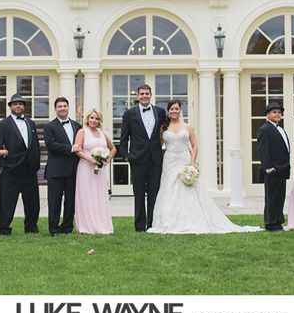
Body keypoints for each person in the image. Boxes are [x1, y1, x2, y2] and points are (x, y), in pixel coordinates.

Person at [150, 99, 259, 234]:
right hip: (170, 161)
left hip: (184, 160)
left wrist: (192, 162)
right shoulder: (163, 128)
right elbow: (160, 145)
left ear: (180, 110)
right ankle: (168, 221)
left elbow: (195, 145)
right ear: (168, 111)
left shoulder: (188, 127)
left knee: (188, 190)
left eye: (176, 108)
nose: (174, 111)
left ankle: (192, 219)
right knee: (169, 189)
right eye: (172, 109)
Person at [118, 83, 166, 232]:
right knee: (138, 194)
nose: (144, 96)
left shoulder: (160, 112)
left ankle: (152, 224)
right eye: (142, 94)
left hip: (155, 160)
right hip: (137, 159)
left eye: (147, 93)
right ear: (137, 96)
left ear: (151, 95)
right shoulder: (129, 114)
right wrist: (126, 156)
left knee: (154, 194)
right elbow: (123, 138)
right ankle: (139, 226)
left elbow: (165, 133)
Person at [0, 93, 42, 235]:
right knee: (7, 201)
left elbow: (36, 145)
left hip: (29, 169)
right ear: (10, 106)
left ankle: (31, 227)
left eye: (20, 104)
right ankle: (4, 228)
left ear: (24, 107)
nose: (18, 106)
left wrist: (36, 163)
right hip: (10, 170)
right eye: (15, 104)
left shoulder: (30, 123)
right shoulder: (2, 124)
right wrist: (1, 168)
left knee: (32, 202)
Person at [44, 97, 82, 236]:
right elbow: (51, 145)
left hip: (73, 170)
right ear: (55, 109)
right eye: (59, 106)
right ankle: (53, 229)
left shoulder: (77, 126)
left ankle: (67, 228)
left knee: (70, 201)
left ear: (68, 107)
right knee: (54, 201)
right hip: (56, 170)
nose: (62, 109)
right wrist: (70, 148)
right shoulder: (49, 126)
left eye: (64, 106)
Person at [74, 109, 116, 235]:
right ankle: (87, 226)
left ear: (99, 121)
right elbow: (76, 149)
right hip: (85, 168)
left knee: (98, 196)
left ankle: (101, 223)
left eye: (97, 118)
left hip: (99, 170)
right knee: (87, 196)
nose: (94, 120)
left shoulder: (102, 134)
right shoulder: (82, 132)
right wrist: (90, 159)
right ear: (87, 119)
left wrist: (107, 160)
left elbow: (113, 149)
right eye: (92, 118)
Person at [256, 101, 291, 231]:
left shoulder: (280, 129)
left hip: (282, 169)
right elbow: (263, 150)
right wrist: (269, 168)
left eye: (279, 112)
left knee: (279, 197)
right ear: (268, 115)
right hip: (273, 170)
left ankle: (278, 222)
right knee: (271, 198)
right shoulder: (265, 129)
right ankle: (270, 224)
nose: (277, 114)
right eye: (274, 112)